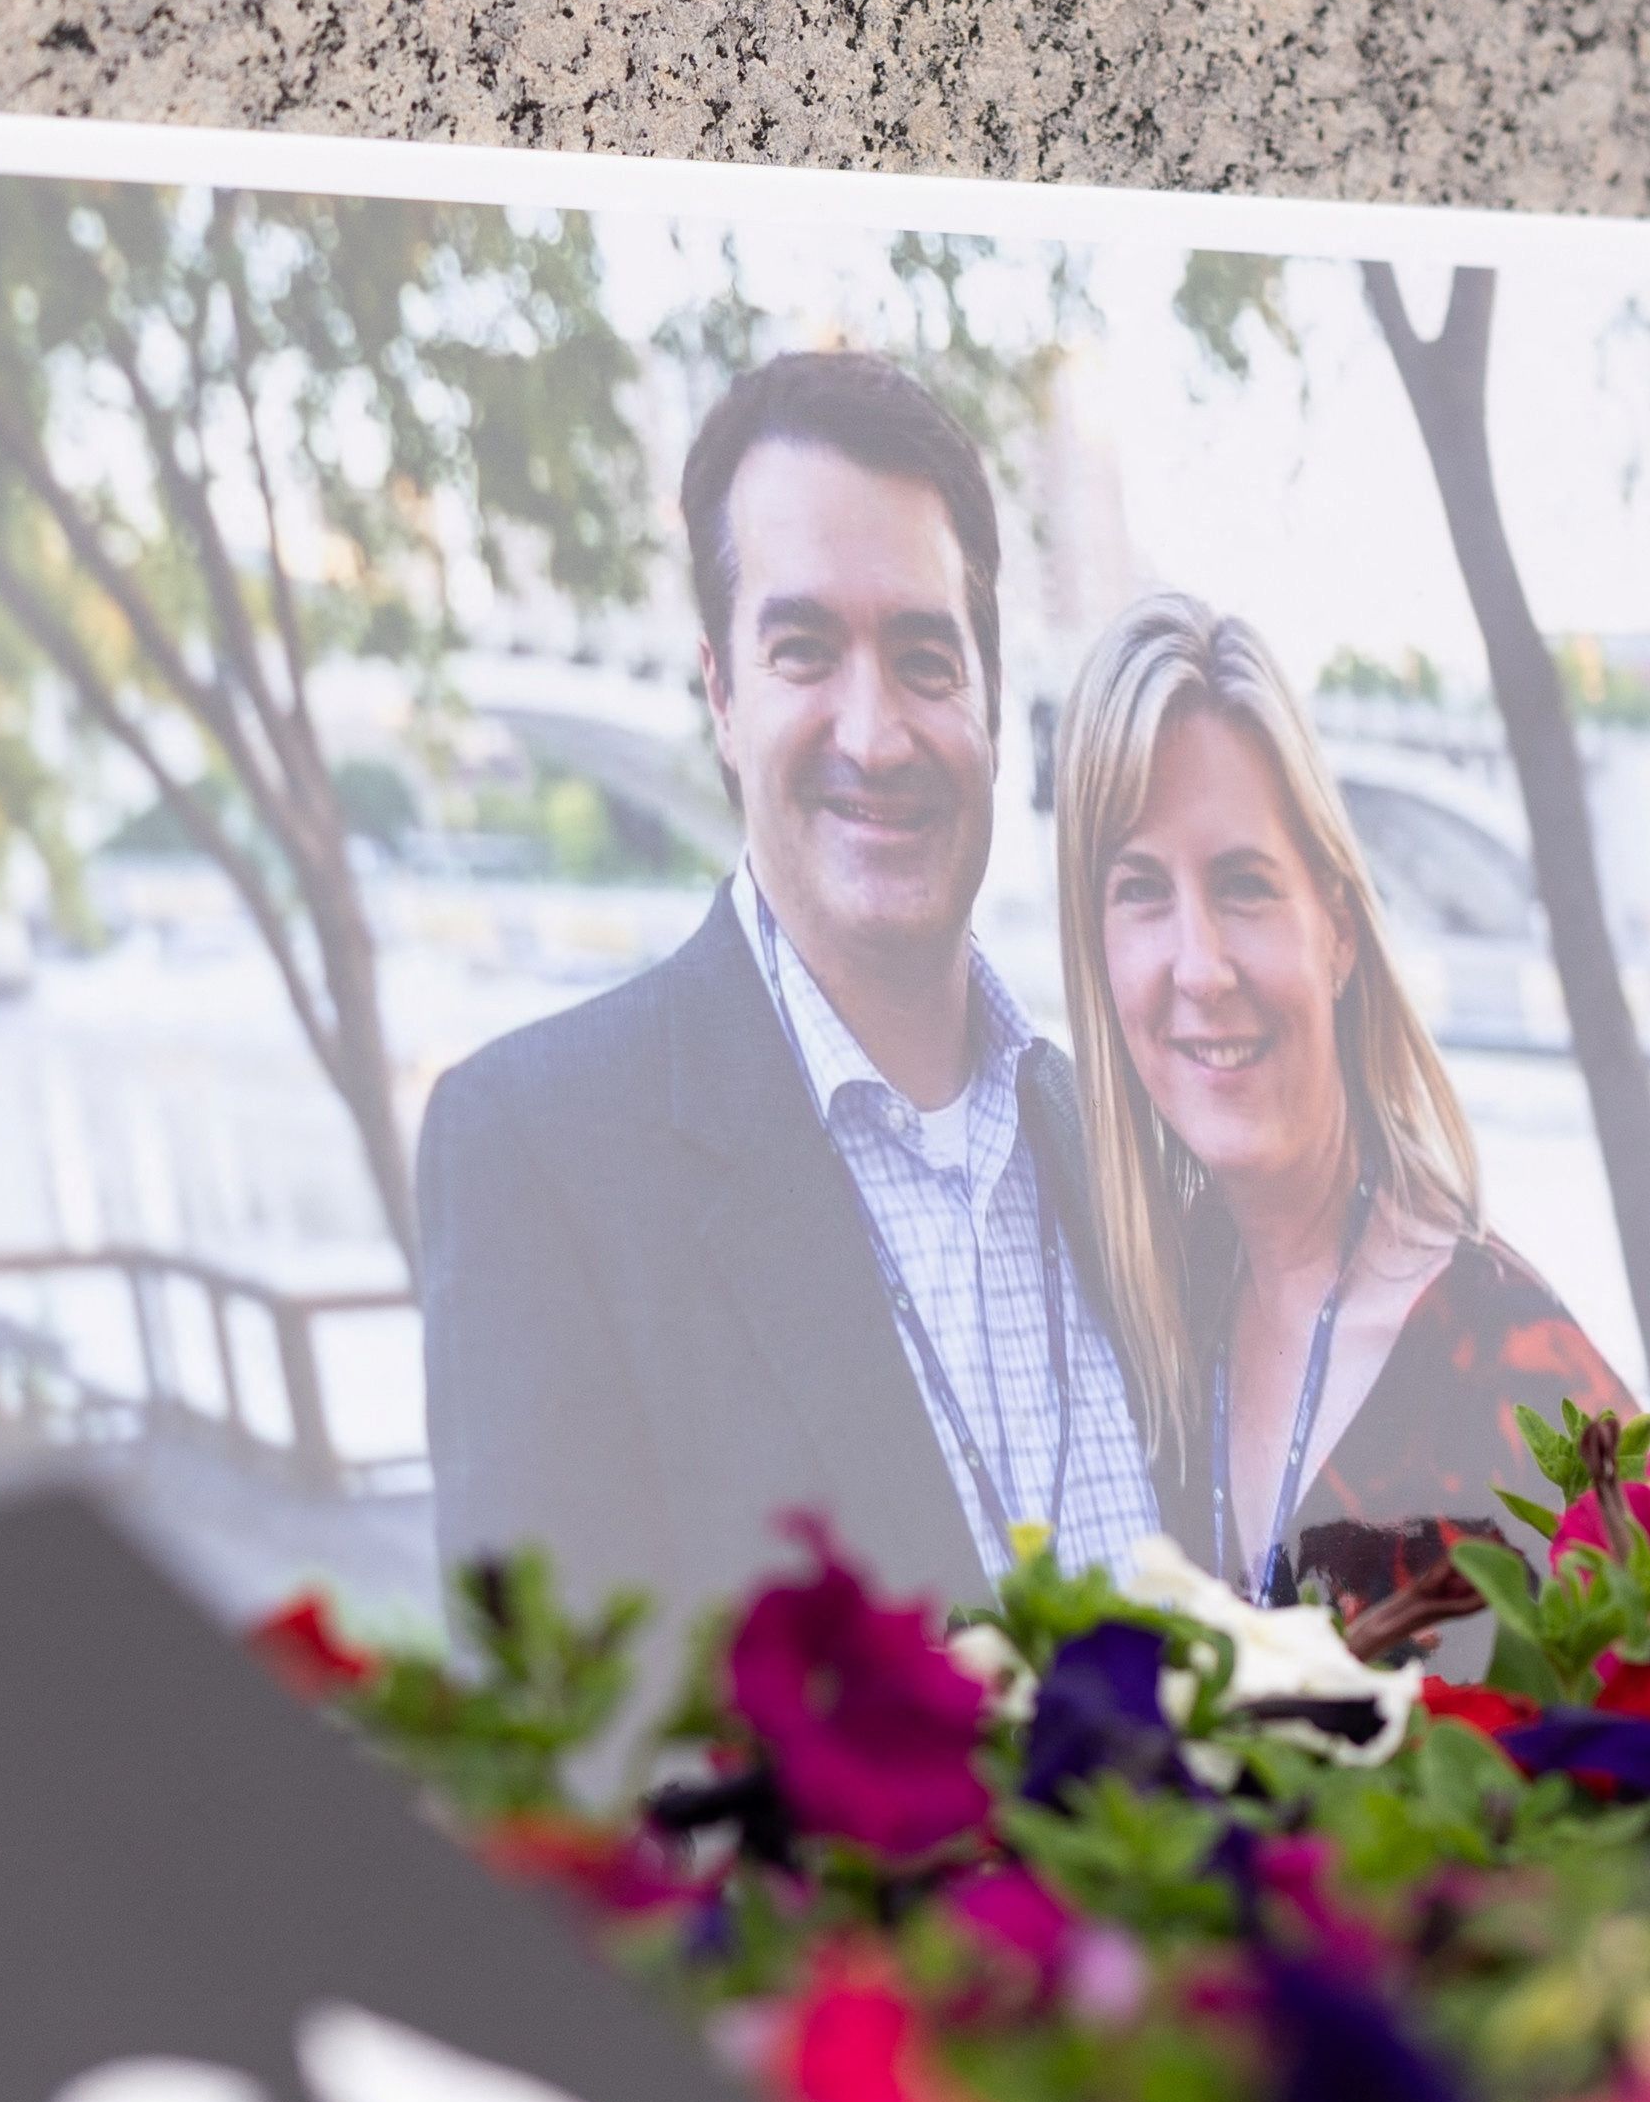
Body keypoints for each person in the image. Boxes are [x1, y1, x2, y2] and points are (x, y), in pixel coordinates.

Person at [420, 351, 1161, 1626]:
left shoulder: (1131, 1144)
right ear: (720, 693)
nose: (874, 734)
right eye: (805, 650)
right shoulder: (538, 1157)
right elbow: (574, 1785)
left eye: (927, 657)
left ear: (990, 697)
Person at [1055, 594, 1627, 1593]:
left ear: (1342, 930)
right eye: (1141, 890)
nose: (1200, 967)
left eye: (1243, 885)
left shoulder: (1509, 1367)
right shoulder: (1139, 1337)